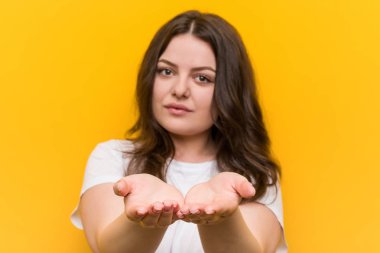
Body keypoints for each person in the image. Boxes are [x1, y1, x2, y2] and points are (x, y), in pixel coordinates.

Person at [70, 10, 287, 253]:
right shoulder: (113, 157)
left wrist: (221, 218)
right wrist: (146, 218)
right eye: (167, 71)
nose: (180, 89)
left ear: (230, 90)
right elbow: (108, 248)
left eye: (202, 78)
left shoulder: (255, 175)